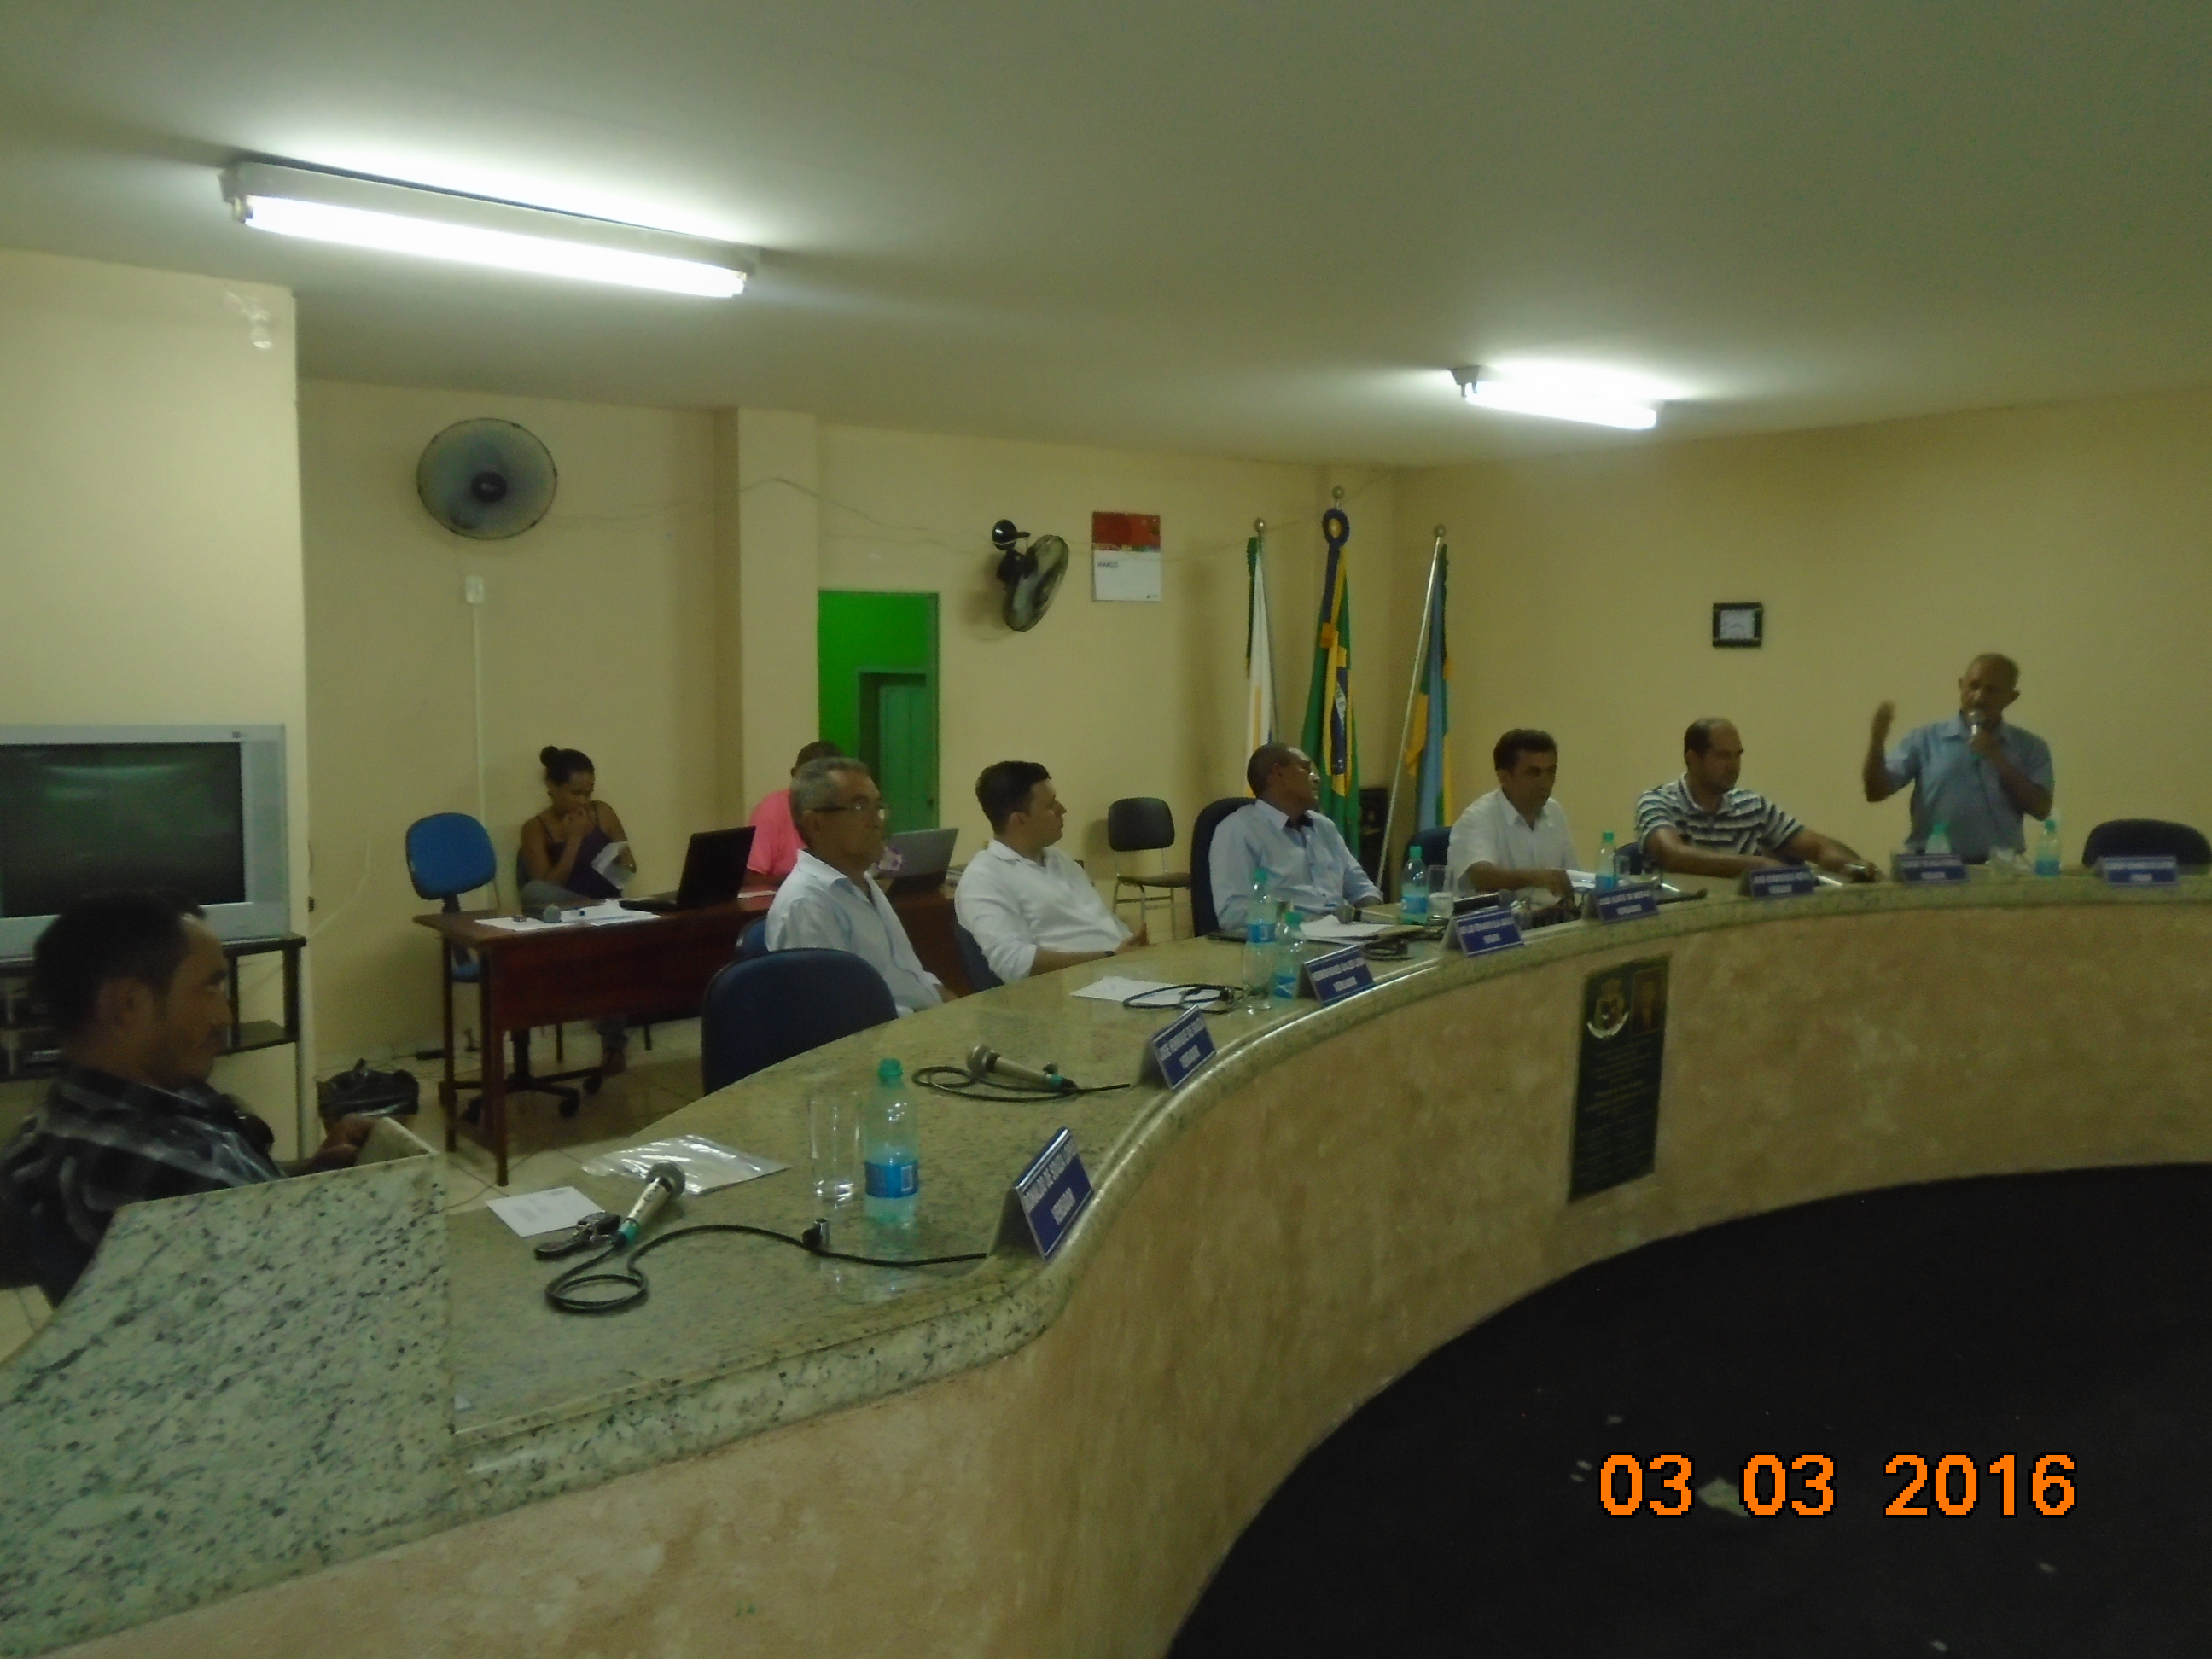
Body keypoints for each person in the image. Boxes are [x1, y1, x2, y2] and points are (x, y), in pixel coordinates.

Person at [0, 893, 375, 1296]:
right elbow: (325, 1282)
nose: (225, 1015)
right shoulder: (172, 1179)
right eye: (210, 988)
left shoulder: (56, 1124)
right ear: (129, 1004)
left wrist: (312, 1174)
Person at [763, 757, 943, 1016]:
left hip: (921, 1020)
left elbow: (904, 971)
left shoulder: (862, 880)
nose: (877, 821)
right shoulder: (806, 903)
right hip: (887, 1034)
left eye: (877, 807)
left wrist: (942, 997)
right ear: (815, 825)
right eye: (859, 807)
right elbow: (837, 1013)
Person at [954, 761, 1147, 983]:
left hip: (1119, 973)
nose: (1062, 810)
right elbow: (1016, 963)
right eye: (1050, 805)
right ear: (1019, 820)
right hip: (1070, 989)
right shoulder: (984, 878)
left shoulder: (1060, 860)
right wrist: (1109, 957)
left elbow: (1099, 920)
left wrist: (1131, 944)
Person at [1864, 654, 2054, 861]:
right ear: (1961, 686)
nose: (1979, 697)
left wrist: (1999, 759)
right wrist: (1877, 742)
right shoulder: (1925, 739)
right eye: (1973, 686)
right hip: (1933, 865)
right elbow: (1876, 792)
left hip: (1999, 868)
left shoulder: (2030, 747)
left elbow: (2041, 810)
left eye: (1991, 690)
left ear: (2011, 697)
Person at [1637, 719, 1878, 880]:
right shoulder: (1658, 801)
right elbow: (1673, 855)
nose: (1733, 766)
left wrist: (1851, 865)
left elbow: (1818, 847)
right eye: (1722, 756)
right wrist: (1757, 865)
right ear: (1693, 759)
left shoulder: (1752, 805)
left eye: (1738, 756)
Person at [517, 745, 635, 1073]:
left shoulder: (603, 813)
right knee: (533, 891)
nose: (583, 801)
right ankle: (591, 911)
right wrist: (573, 841)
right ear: (552, 789)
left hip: (607, 911)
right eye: (575, 793)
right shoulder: (534, 828)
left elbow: (628, 864)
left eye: (588, 793)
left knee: (613, 945)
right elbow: (544, 887)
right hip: (564, 919)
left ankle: (613, 1046)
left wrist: (618, 866)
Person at [1211, 743, 1385, 929]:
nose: (1317, 778)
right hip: (1287, 938)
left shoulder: (1324, 827)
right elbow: (1233, 913)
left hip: (1343, 935)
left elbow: (1362, 889)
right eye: (1306, 769)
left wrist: (1369, 918)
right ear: (1278, 773)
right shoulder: (1238, 830)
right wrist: (1302, 922)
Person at [1446, 728, 1578, 904]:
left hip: (1548, 915)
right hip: (1494, 918)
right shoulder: (1478, 817)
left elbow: (1571, 876)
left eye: (1551, 772)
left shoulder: (1555, 811)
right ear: (1504, 778)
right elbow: (1481, 876)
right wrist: (1533, 877)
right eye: (1534, 773)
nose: (1545, 782)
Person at [748, 740, 845, 883]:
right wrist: (801, 881)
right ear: (794, 775)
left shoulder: (846, 809)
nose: (817, 789)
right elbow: (750, 879)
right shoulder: (771, 811)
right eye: (811, 780)